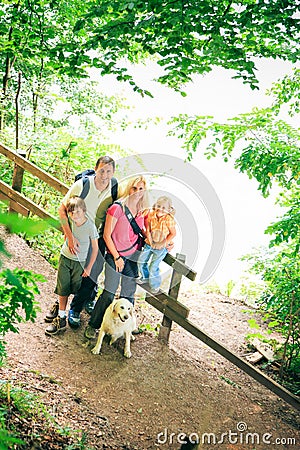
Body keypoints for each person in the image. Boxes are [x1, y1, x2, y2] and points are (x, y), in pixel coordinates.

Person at [44, 155, 118, 328]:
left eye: (108, 171)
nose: (104, 175)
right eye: (101, 171)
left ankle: (79, 305)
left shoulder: (114, 188)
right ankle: (60, 305)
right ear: (95, 169)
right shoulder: (82, 185)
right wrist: (69, 236)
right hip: (76, 236)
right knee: (69, 271)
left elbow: (127, 203)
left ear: (113, 172)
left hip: (97, 237)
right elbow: (62, 209)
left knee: (91, 273)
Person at [84, 175, 148, 339]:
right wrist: (117, 257)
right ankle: (93, 325)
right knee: (109, 293)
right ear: (129, 188)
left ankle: (127, 328)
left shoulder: (142, 210)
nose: (137, 192)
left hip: (132, 256)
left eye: (141, 189)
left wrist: (166, 242)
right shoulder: (117, 208)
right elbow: (106, 235)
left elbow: (146, 233)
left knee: (128, 293)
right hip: (115, 256)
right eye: (134, 188)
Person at [45, 196, 99, 335]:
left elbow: (95, 249)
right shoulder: (70, 222)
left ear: (84, 211)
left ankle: (60, 305)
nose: (74, 215)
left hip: (79, 264)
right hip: (65, 259)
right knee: (63, 286)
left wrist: (89, 268)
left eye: (78, 212)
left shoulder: (90, 227)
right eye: (71, 213)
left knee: (74, 288)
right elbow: (63, 219)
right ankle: (61, 318)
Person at [137, 196, 176, 293]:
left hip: (162, 246)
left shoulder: (168, 219)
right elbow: (148, 229)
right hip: (150, 243)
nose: (160, 209)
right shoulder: (151, 215)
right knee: (141, 261)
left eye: (164, 208)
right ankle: (145, 277)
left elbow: (173, 233)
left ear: (168, 209)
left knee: (153, 266)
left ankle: (154, 285)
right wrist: (149, 240)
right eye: (159, 206)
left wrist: (163, 243)